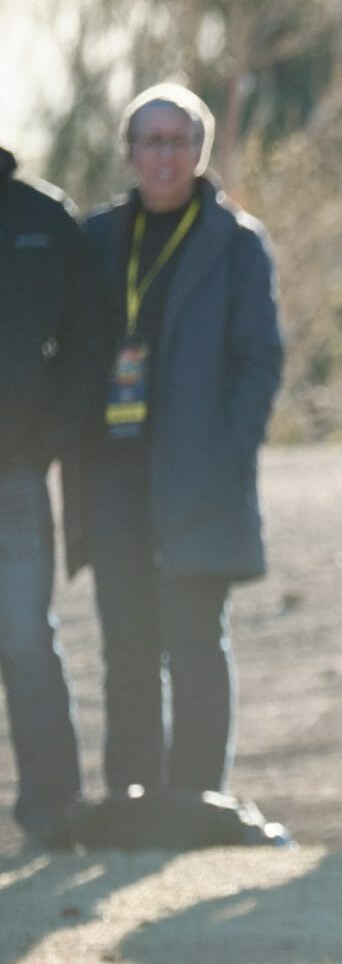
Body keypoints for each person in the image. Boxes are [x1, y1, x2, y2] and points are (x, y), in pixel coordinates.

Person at [72, 84, 284, 800]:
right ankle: (130, 797)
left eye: (178, 140)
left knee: (194, 644)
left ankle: (194, 800)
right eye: (150, 140)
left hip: (200, 477)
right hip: (115, 477)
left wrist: (227, 450)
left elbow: (261, 360)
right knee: (126, 647)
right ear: (130, 152)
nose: (164, 155)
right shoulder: (98, 237)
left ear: (200, 150)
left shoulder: (237, 242)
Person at [0, 145, 95, 849]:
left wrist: (43, 444)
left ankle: (52, 809)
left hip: (15, 475)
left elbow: (86, 345)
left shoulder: (42, 217)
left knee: (25, 636)